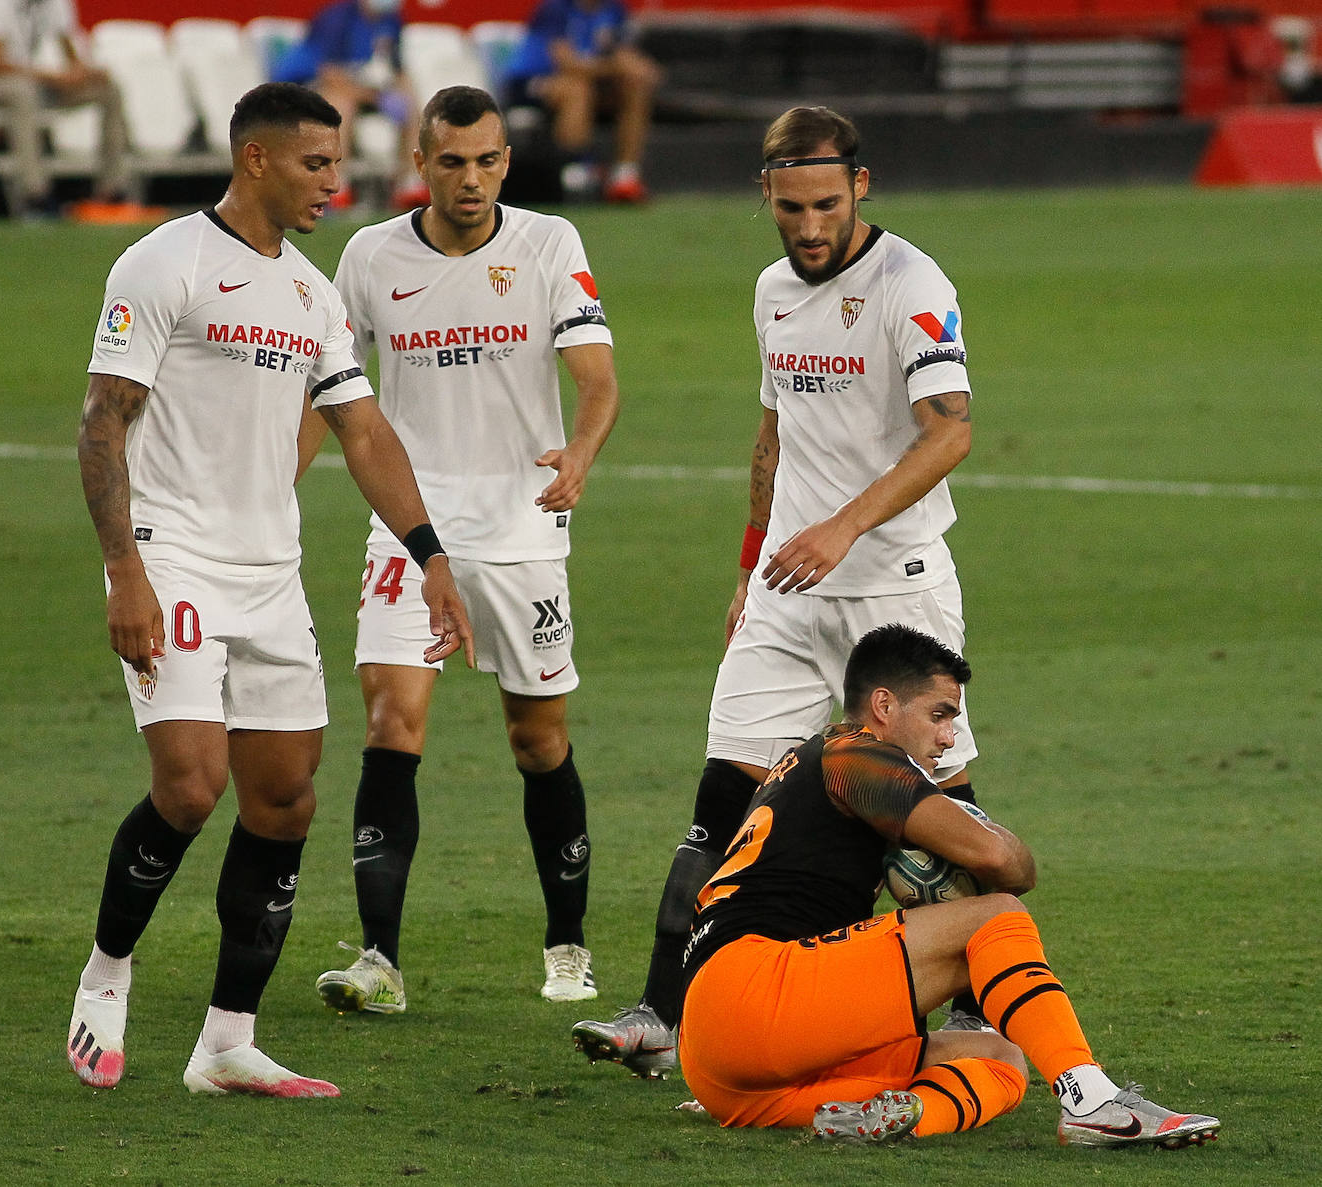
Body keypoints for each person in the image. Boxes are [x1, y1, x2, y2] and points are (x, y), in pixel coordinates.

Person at [67, 81, 474, 1098]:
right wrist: (126, 569)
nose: (334, 184)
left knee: (285, 801)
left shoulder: (311, 292)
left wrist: (429, 554)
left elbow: (364, 432)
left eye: (338, 166)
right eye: (315, 165)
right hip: (175, 559)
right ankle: (107, 973)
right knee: (192, 785)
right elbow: (103, 420)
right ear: (256, 159)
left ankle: (226, 1042)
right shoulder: (164, 263)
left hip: (271, 573)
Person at [573, 104, 981, 1077]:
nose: (808, 226)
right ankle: (663, 1011)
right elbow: (773, 436)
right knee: (722, 796)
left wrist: (846, 524)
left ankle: (965, 1017)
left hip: (897, 591)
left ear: (862, 187)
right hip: (787, 594)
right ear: (766, 192)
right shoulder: (771, 291)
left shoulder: (910, 284)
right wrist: (748, 566)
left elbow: (951, 429)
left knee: (941, 809)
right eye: (790, 206)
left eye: (827, 205)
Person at [304, 84, 619, 1012]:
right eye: (452, 162)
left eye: (486, 161)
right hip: (411, 528)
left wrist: (582, 455)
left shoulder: (550, 244)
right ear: (420, 163)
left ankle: (568, 947)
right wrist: (269, 481)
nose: (471, 179)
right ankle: (379, 960)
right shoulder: (367, 257)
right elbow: (331, 395)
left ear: (505, 163)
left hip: (524, 530)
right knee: (391, 725)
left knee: (538, 738)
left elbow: (597, 380)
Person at [677, 623, 1220, 1150]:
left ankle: (909, 1115)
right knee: (996, 915)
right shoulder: (856, 754)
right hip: (756, 993)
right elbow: (1003, 862)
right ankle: (1091, 1100)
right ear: (884, 707)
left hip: (720, 1064)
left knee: (1000, 1057)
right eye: (939, 714)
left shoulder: (797, 765)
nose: (949, 736)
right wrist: (983, 838)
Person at [0, 0, 132, 216]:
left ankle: (112, 192)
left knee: (107, 90)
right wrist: (55, 77)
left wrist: (86, 73)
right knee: (22, 93)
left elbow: (70, 55)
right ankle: (35, 196)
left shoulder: (55, 3)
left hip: (32, 85)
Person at [272, 0, 427, 210]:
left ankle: (410, 183)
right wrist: (377, 98)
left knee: (408, 92)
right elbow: (329, 73)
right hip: (306, 85)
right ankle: (337, 187)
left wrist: (401, 97)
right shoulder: (337, 18)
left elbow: (395, 67)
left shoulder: (391, 20)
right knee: (341, 105)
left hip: (360, 84)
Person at [506, 0, 659, 203]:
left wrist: (635, 69)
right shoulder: (556, 9)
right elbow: (567, 63)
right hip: (533, 81)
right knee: (577, 90)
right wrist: (616, 67)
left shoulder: (613, 9)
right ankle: (574, 170)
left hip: (590, 79)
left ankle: (625, 175)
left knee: (634, 87)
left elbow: (623, 53)